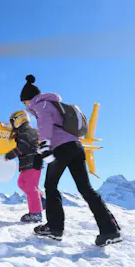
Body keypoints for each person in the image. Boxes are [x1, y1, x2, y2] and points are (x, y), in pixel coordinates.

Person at [20, 74, 122, 246]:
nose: (26, 106)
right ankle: (110, 230)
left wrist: (44, 145)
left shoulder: (40, 104)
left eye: (24, 102)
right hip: (76, 147)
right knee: (86, 188)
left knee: (50, 186)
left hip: (62, 149)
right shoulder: (54, 104)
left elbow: (45, 124)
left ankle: (54, 228)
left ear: (28, 99)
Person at [5, 110, 44, 223]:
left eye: (12, 122)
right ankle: (42, 200)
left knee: (31, 187)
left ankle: (36, 214)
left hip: (33, 162)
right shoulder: (24, 132)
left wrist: (9, 155)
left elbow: (23, 147)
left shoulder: (27, 132)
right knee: (21, 183)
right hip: (27, 163)